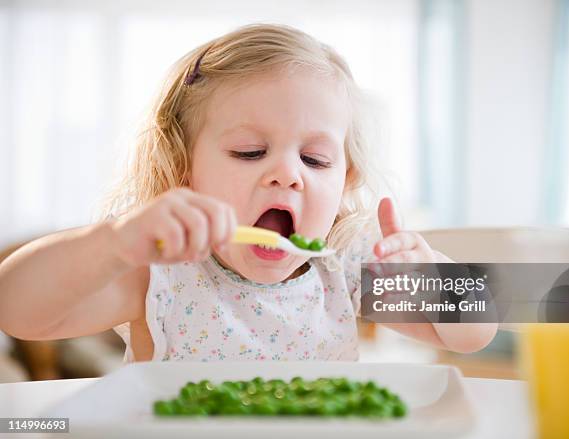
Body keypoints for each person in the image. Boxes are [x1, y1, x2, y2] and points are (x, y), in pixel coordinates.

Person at [0, 24, 496, 362]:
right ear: (182, 170)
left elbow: (474, 334)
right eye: (250, 152)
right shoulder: (164, 275)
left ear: (344, 183)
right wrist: (112, 243)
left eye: (316, 160)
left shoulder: (343, 268)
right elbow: (16, 310)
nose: (287, 174)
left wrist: (434, 277)